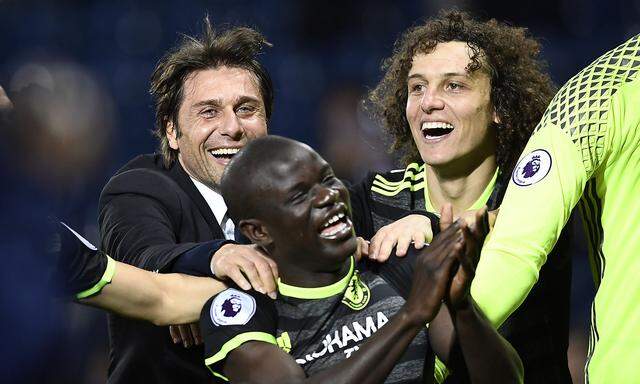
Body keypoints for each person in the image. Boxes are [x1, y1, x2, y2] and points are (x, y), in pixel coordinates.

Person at [56, 136, 524, 383]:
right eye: (303, 195)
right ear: (259, 232)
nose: (331, 198)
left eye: (328, 179)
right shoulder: (242, 308)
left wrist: (461, 309)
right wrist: (410, 320)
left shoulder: (399, 270)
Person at [347, 11, 571, 383]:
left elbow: (522, 217)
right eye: (417, 87)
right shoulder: (372, 199)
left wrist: (433, 229)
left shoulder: (536, 193)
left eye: (454, 86)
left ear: (500, 106)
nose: (428, 102)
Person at [98, 18, 279, 383]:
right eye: (208, 111)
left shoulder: (289, 191)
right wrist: (215, 257)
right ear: (172, 131)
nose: (232, 127)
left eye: (246, 109)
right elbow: (144, 258)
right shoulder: (138, 187)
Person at [468, 32, 640, 383]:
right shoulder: (600, 95)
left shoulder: (598, 93)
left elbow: (515, 251)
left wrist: (417, 361)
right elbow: (515, 251)